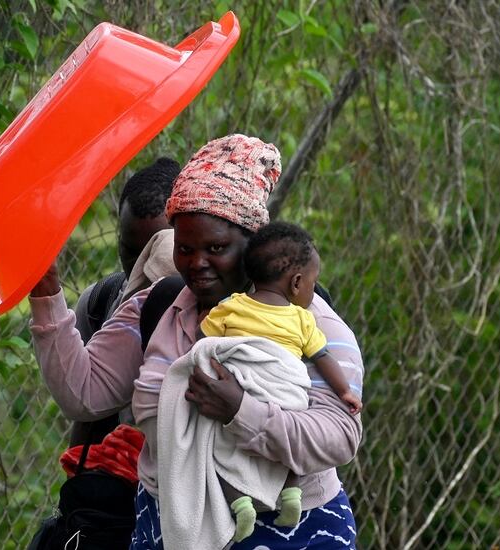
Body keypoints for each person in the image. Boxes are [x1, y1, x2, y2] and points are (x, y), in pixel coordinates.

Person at [29, 134, 364, 549]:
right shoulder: (162, 306)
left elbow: (339, 435)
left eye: (216, 248)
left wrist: (241, 411)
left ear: (253, 244)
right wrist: (47, 295)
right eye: (185, 248)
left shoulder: (308, 320)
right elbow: (84, 393)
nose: (196, 264)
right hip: (169, 524)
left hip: (288, 528)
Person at [28, 157, 180, 550]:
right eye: (130, 250)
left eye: (155, 249)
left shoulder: (215, 302)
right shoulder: (103, 302)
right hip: (118, 507)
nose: (140, 266)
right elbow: (85, 406)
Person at [194, 220, 363, 542]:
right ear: (297, 282)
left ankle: (239, 502)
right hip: (285, 391)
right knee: (288, 440)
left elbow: (203, 342)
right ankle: (291, 493)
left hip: (242, 385)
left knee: (223, 448)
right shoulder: (303, 318)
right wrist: (345, 391)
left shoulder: (231, 306)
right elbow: (323, 357)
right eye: (313, 282)